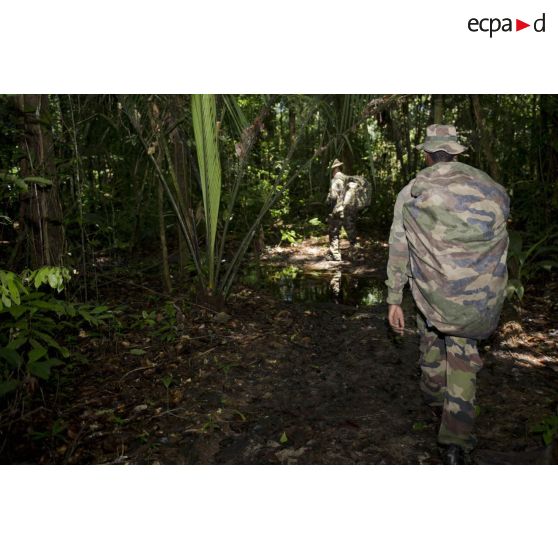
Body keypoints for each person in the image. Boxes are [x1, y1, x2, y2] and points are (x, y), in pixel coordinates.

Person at [385, 124, 510, 464]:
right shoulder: (490, 188)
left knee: (430, 346)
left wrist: (394, 298)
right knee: (463, 361)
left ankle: (436, 403)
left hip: (429, 292)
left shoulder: (413, 192)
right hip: (475, 298)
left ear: (427, 154)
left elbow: (399, 248)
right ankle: (455, 440)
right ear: (456, 152)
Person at [326, 159, 358, 261]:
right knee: (351, 232)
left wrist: (327, 200)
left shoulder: (335, 179)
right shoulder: (347, 178)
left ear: (334, 168)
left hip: (338, 210)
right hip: (348, 210)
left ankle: (335, 255)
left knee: (334, 232)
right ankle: (354, 254)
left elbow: (333, 196)